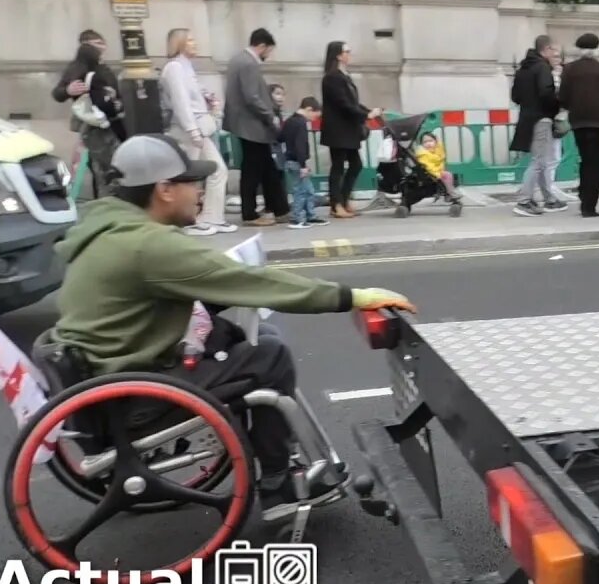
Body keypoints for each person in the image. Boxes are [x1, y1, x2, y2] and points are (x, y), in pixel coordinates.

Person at [50, 134, 417, 513]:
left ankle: (272, 453)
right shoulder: (146, 245)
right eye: (192, 182)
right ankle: (278, 484)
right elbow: (256, 283)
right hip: (134, 395)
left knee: (249, 338)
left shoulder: (108, 230)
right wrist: (351, 297)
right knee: (268, 355)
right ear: (164, 190)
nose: (200, 190)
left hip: (110, 377)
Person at [160, 28, 236, 237]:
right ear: (180, 43)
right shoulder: (174, 68)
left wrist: (209, 101)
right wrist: (192, 129)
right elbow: (180, 102)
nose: (195, 43)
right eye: (190, 40)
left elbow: (193, 98)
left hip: (199, 129)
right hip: (186, 130)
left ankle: (211, 216)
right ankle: (187, 220)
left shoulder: (186, 68)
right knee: (186, 177)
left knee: (217, 170)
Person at [223, 28, 288, 227]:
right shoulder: (249, 63)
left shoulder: (237, 60)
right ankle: (250, 214)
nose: (268, 55)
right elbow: (252, 97)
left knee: (267, 167)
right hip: (252, 125)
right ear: (261, 46)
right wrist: (270, 116)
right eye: (268, 50)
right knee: (252, 170)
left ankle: (281, 209)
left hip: (245, 123)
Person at [52, 30, 126, 198]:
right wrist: (68, 90)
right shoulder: (79, 67)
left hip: (112, 121)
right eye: (95, 44)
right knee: (103, 169)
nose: (101, 47)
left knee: (111, 166)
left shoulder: (103, 67)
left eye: (102, 43)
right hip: (94, 125)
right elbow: (57, 93)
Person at [558, 33, 599, 218]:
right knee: (595, 163)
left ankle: (583, 195)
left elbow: (563, 97)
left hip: (579, 121)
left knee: (585, 159)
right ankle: (589, 205)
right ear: (597, 49)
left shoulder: (569, 70)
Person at [321, 41, 382, 220]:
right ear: (338, 55)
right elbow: (344, 104)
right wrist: (366, 115)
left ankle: (343, 199)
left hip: (348, 129)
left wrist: (368, 111)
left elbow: (353, 103)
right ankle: (336, 204)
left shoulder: (343, 76)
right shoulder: (332, 77)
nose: (350, 54)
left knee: (356, 165)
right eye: (347, 51)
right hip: (338, 130)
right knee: (338, 167)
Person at [510, 35, 567, 217]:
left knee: (541, 160)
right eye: (555, 51)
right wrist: (555, 107)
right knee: (538, 161)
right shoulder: (542, 68)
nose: (556, 54)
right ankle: (524, 201)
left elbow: (515, 97)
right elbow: (546, 93)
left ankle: (549, 198)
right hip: (541, 118)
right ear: (547, 49)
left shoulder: (523, 68)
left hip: (527, 117)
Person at [281, 97, 329, 229]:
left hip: (290, 160)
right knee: (301, 191)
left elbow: (281, 138)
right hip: (297, 162)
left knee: (308, 190)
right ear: (309, 109)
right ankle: (297, 218)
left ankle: (310, 215)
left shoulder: (289, 121)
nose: (314, 119)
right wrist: (303, 165)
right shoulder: (301, 123)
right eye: (315, 115)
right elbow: (300, 145)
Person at [414, 133, 462, 201]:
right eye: (425, 142)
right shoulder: (423, 154)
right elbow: (428, 166)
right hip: (431, 173)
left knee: (452, 176)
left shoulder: (435, 150)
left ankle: (448, 193)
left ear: (435, 141)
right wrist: (437, 174)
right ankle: (451, 193)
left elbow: (441, 153)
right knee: (447, 175)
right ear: (422, 144)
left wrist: (438, 143)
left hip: (438, 171)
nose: (428, 144)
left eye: (431, 141)